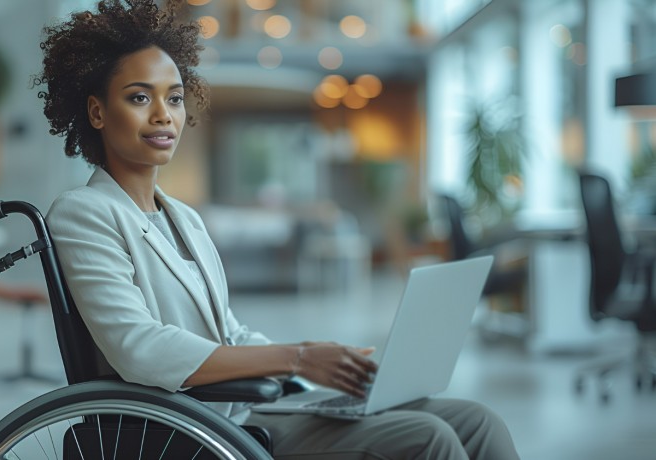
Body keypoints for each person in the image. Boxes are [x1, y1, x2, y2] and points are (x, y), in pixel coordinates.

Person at [40, 1, 519, 458]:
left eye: (176, 97)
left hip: (247, 409)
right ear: (97, 112)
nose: (164, 114)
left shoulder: (182, 218)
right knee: (427, 438)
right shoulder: (84, 212)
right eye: (140, 97)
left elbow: (227, 334)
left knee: (478, 421)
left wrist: (328, 369)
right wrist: (297, 357)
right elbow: (139, 350)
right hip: (193, 430)